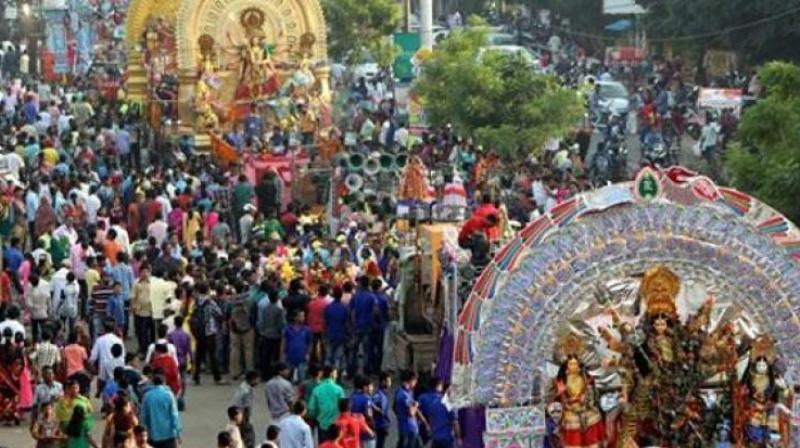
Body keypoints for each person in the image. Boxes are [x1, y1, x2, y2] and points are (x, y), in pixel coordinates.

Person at [140, 373, 182, 448]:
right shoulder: (169, 395)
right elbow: (174, 415)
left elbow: (143, 417)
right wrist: (178, 433)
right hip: (168, 435)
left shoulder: (147, 396)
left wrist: (144, 434)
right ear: (163, 383)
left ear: (152, 383)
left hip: (153, 435)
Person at [418, 378, 459, 448]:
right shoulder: (447, 402)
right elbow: (455, 422)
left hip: (435, 437)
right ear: (439, 386)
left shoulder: (423, 398)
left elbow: (416, 408)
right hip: (447, 438)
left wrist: (425, 423)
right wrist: (459, 437)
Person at [309, 366, 346, 441]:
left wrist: (316, 417)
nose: (337, 376)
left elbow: (312, 409)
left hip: (322, 425)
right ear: (331, 374)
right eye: (336, 374)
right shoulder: (339, 389)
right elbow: (344, 408)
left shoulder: (317, 389)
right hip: (337, 426)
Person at [394, 370, 425, 448]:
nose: (416, 384)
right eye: (415, 381)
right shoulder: (404, 395)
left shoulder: (402, 391)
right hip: (409, 429)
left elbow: (394, 407)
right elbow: (411, 412)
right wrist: (416, 405)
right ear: (412, 380)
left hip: (404, 427)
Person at [231, 370, 259, 448]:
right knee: (250, 439)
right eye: (256, 379)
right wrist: (246, 421)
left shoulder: (242, 386)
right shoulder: (247, 391)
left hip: (236, 415)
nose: (257, 382)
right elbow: (247, 408)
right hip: (243, 418)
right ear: (252, 379)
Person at [283, 310, 312, 382]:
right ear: (295, 317)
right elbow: (283, 343)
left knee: (302, 379)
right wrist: (283, 355)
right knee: (286, 378)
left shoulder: (306, 329)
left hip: (302, 357)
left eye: (303, 316)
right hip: (290, 357)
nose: (303, 318)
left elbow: (310, 342)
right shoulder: (288, 329)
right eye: (301, 316)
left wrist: (308, 353)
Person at [372, 372, 391, 448]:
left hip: (384, 424)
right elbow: (371, 403)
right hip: (380, 424)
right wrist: (379, 410)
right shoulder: (379, 394)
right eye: (389, 381)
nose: (390, 383)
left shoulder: (384, 394)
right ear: (383, 382)